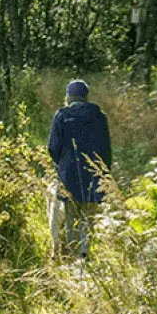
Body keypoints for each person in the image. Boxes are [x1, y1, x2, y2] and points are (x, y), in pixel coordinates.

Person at [47, 79, 112, 258]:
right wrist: (105, 174)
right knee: (88, 217)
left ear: (68, 97)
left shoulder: (61, 115)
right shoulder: (99, 116)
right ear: (86, 96)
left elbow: (53, 148)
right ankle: (84, 255)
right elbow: (106, 148)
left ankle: (74, 256)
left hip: (69, 175)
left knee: (71, 218)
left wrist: (60, 167)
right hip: (93, 175)